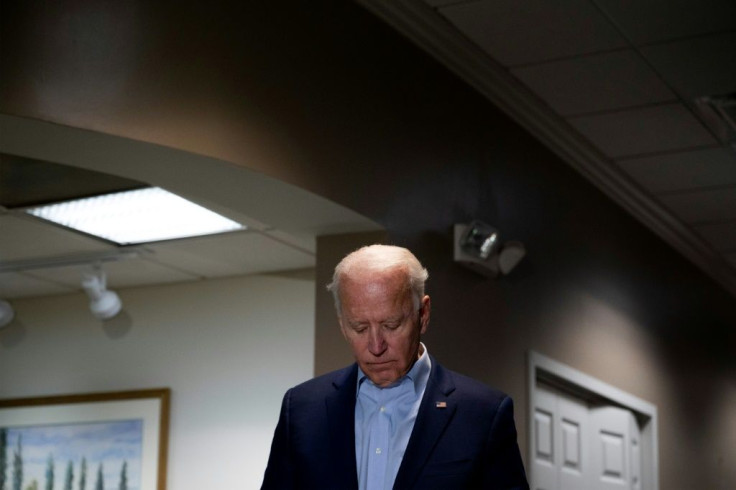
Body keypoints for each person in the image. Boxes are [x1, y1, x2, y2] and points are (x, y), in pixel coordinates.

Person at [261, 244, 529, 489]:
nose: (376, 346)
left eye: (391, 326)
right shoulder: (301, 409)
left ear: (422, 315)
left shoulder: (483, 414)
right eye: (360, 328)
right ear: (342, 324)